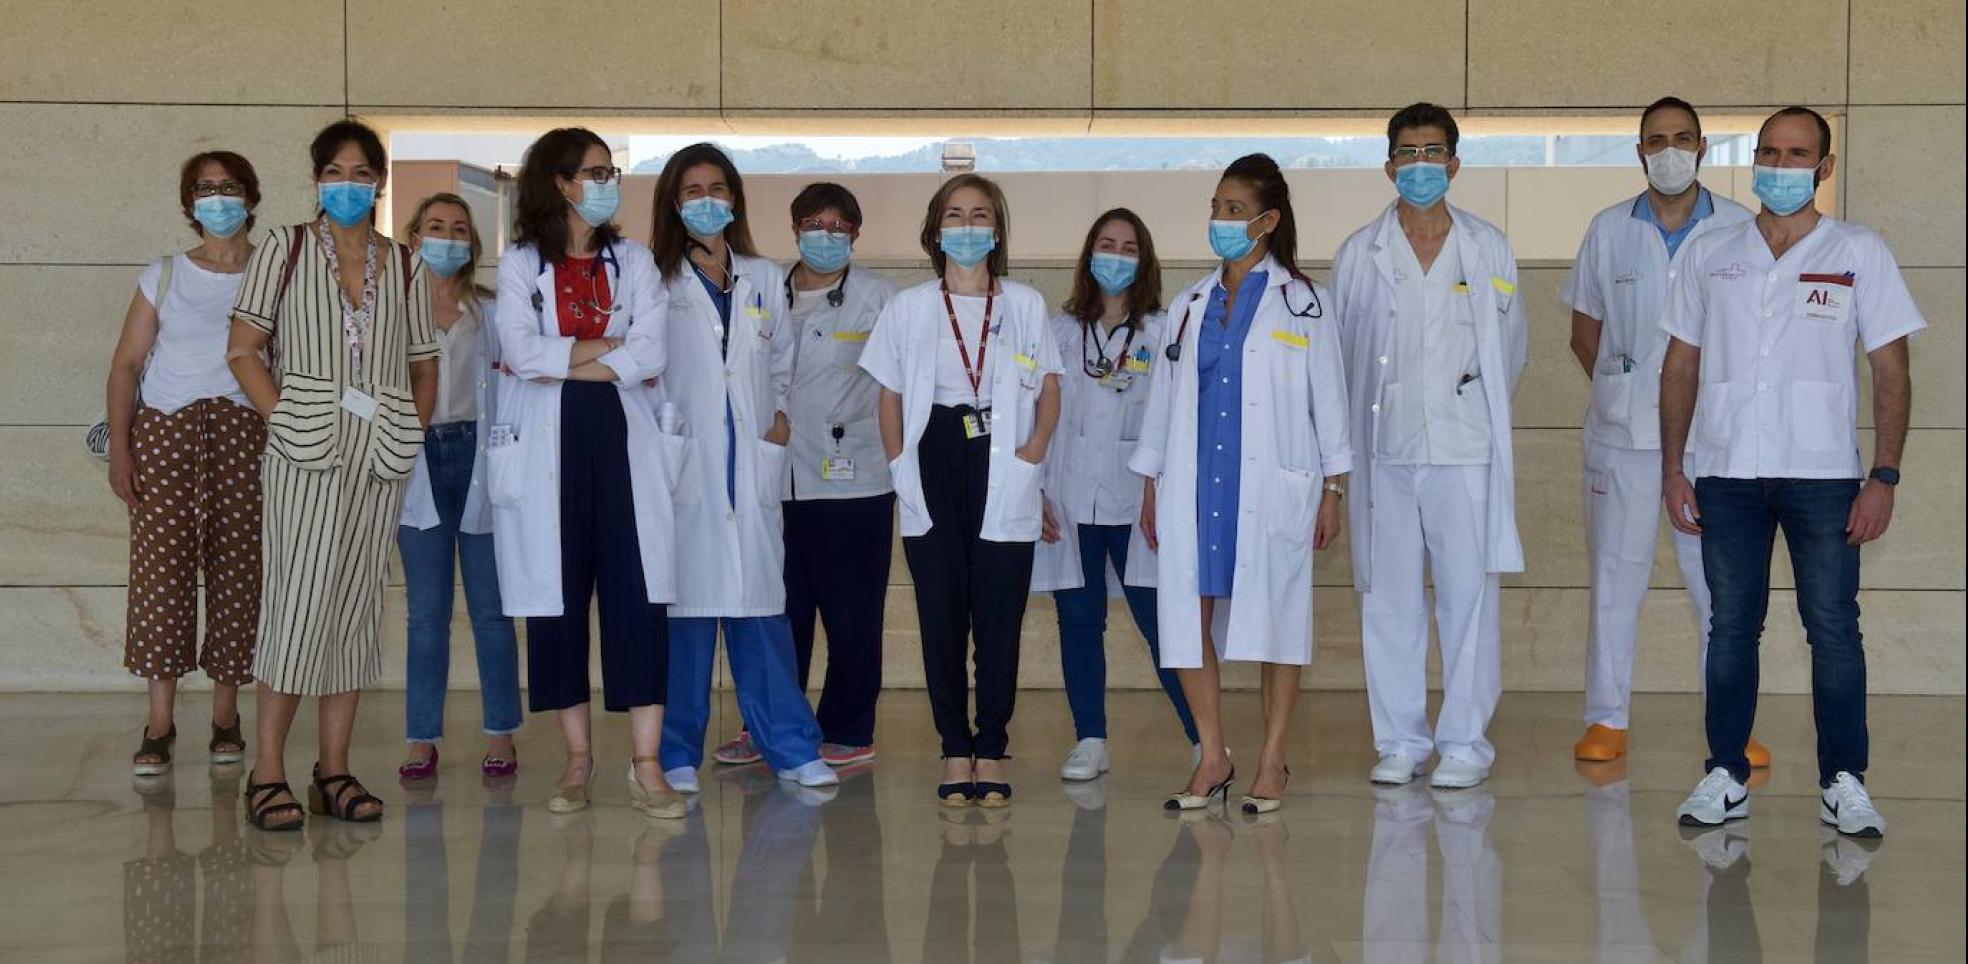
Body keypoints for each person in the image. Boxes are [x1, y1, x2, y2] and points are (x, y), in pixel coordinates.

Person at [1665, 107, 1920, 838]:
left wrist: (1885, 475)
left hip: (1823, 476)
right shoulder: (1712, 254)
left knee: (1835, 627)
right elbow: (1679, 366)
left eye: (1797, 154)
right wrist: (1675, 471)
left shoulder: (1860, 251)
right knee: (1729, 626)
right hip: (1726, 473)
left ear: (1825, 166)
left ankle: (1845, 781)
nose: (1780, 167)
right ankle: (1724, 773)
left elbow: (1891, 369)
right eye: (1769, 153)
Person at [226, 120, 439, 829]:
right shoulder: (285, 249)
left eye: (361, 172)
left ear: (380, 181)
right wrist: (283, 417)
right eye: (336, 172)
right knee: (296, 607)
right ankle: (265, 776)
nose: (349, 184)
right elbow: (244, 348)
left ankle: (333, 770)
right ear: (317, 178)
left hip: (378, 454)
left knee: (353, 610)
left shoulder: (404, 262)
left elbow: (424, 361)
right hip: (304, 455)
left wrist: (412, 431)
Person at [1132, 154, 1351, 815]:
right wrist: (1151, 484)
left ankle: (1273, 756)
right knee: (1187, 616)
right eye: (1215, 208)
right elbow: (1165, 400)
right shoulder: (1189, 304)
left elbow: (1330, 402)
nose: (1220, 221)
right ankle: (1213, 754)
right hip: (1197, 486)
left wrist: (1333, 490)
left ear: (1268, 220)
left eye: (1233, 210)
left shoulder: (1306, 302)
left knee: (1278, 617)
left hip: (1275, 484)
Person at [488, 127, 683, 819]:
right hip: (550, 443)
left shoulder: (633, 261)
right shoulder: (519, 265)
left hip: (624, 440)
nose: (606, 183)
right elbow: (517, 349)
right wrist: (607, 351)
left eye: (610, 171)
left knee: (637, 599)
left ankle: (647, 765)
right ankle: (577, 762)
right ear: (560, 183)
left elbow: (652, 353)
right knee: (558, 601)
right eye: (594, 172)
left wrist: (563, 355)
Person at [1331, 103, 1526, 791]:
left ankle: (1466, 742)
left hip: (1465, 447)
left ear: (1454, 163)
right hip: (1386, 450)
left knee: (1468, 598)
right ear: (1388, 166)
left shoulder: (1488, 246)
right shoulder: (1360, 253)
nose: (1420, 166)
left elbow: (1511, 348)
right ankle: (1401, 741)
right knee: (1389, 599)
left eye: (1432, 152)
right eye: (1407, 154)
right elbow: (1343, 355)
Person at [1562, 98, 1763, 766]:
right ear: (1639, 151)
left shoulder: (1741, 228)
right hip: (1622, 436)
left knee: (1719, 589)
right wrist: (1630, 388)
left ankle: (1731, 727)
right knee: (1616, 580)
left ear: (1703, 146)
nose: (1670, 150)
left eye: (1682, 138)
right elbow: (1585, 330)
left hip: (1714, 442)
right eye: (1657, 140)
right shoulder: (1608, 228)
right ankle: (1606, 720)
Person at [861, 173, 1063, 806]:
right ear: (936, 228)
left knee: (1000, 618)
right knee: (941, 615)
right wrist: (899, 465)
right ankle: (954, 749)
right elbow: (888, 395)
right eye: (956, 214)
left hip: (1005, 459)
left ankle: (992, 746)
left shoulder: (1024, 305)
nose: (968, 226)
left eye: (981, 215)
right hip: (934, 456)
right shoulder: (909, 306)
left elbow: (1050, 388)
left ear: (997, 229)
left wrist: (1033, 454)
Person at [649, 143, 838, 793]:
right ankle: (676, 754)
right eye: (694, 190)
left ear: (735, 199)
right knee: (688, 622)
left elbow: (779, 361)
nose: (708, 201)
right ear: (674, 202)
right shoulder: (655, 278)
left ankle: (789, 745)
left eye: (718, 188)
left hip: (751, 467)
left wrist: (777, 420)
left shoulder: (761, 278)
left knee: (762, 614)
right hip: (685, 471)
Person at [109, 150, 267, 776]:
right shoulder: (166, 274)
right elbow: (125, 365)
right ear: (188, 203)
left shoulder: (274, 272)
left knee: (238, 573)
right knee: (161, 577)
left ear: (251, 197)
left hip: (243, 433)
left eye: (229, 186)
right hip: (166, 432)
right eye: (204, 188)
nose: (218, 198)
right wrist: (121, 448)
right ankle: (159, 722)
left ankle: (226, 717)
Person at [1031, 208, 1199, 781]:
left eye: (1129, 248)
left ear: (1145, 261)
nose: (1116, 257)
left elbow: (1179, 422)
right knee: (1078, 622)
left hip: (1140, 503)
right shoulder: (1056, 331)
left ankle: (1205, 739)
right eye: (1107, 244)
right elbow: (1035, 418)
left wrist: (1164, 494)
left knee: (1162, 624)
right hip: (1071, 500)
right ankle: (1090, 739)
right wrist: (1036, 492)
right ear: (1088, 254)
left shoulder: (1166, 330)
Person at [395, 193, 522, 781]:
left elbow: (516, 386)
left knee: (492, 611)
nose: (447, 237)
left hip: (478, 456)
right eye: (435, 227)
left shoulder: (490, 311)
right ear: (413, 237)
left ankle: (501, 731)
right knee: (426, 614)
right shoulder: (388, 310)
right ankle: (421, 738)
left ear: (472, 243)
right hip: (415, 458)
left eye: (459, 229)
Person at [776, 182, 900, 766]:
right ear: (794, 227)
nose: (825, 236)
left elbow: (899, 390)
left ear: (855, 233)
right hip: (775, 480)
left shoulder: (879, 298)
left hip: (856, 483)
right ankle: (775, 724)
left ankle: (849, 729)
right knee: (779, 612)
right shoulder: (761, 292)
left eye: (838, 226)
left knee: (852, 615)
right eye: (813, 223)